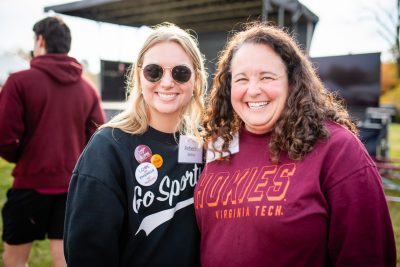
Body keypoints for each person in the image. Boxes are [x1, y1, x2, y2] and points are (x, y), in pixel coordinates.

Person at [194, 22, 397, 267]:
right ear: (228, 88)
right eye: (241, 79)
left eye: (267, 77)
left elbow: (368, 255)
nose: (253, 89)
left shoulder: (337, 148)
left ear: (292, 82)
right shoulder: (218, 145)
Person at [63, 22, 207, 266]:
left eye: (180, 72)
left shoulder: (201, 145)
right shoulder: (108, 148)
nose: (167, 82)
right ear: (140, 76)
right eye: (154, 71)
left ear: (196, 79)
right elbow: (87, 252)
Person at [0, 16, 105, 267]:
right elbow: (98, 138)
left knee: (14, 261)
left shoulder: (19, 82)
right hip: (72, 187)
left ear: (40, 41)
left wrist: (24, 156)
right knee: (64, 260)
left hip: (29, 184)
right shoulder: (88, 88)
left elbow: (4, 137)